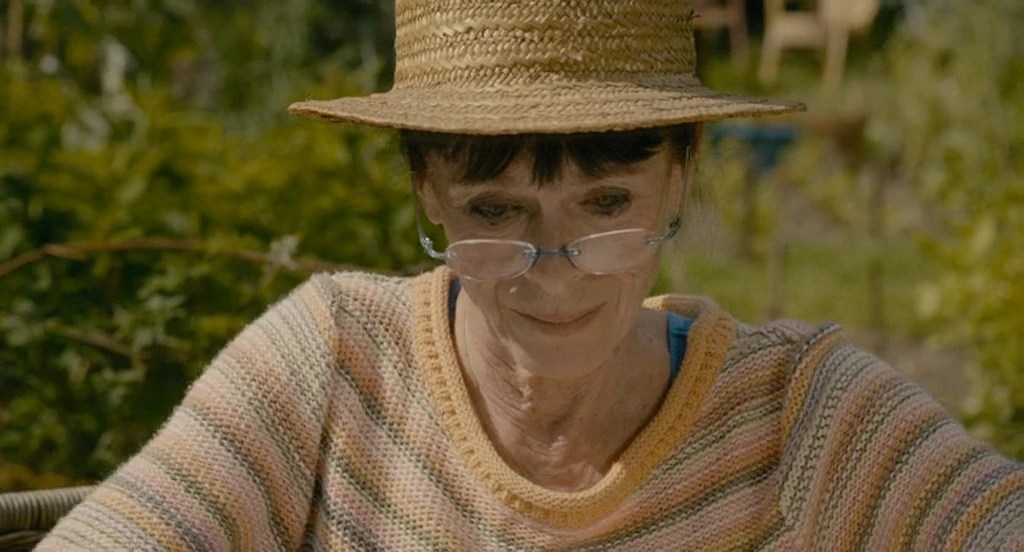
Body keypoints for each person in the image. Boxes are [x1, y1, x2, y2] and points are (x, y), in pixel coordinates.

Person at [39, 0, 1022, 550]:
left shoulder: (797, 417)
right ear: (427, 188)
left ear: (681, 176)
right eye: (494, 214)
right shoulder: (335, 365)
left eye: (607, 207)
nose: (554, 277)